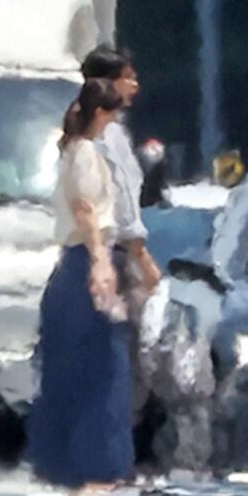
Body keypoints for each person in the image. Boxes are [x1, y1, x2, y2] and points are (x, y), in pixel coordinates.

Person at [27, 79, 135, 491]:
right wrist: (101, 261)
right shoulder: (87, 152)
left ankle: (59, 462)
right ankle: (101, 466)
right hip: (87, 257)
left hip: (69, 265)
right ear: (103, 114)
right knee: (105, 366)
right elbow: (87, 210)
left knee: (67, 366)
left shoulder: (69, 150)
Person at [81, 47, 162, 306]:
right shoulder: (101, 135)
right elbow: (120, 198)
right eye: (127, 78)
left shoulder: (114, 131)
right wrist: (142, 256)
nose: (134, 86)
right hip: (109, 253)